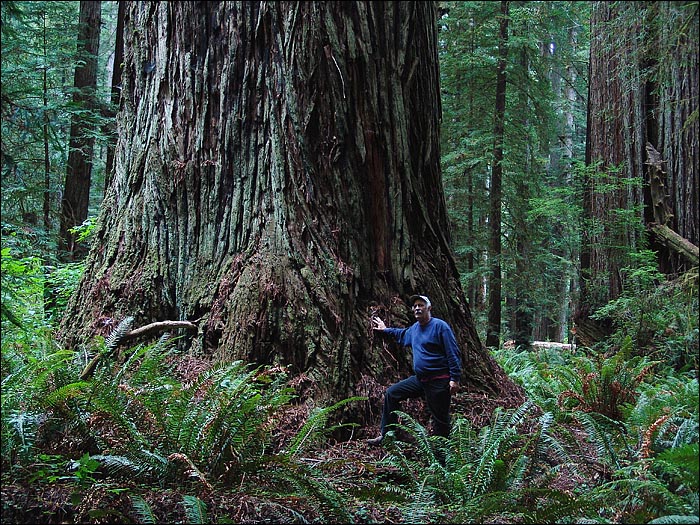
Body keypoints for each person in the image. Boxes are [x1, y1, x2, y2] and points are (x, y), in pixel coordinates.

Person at [367, 294, 461, 445]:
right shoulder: (414, 329)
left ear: (429, 308)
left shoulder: (440, 326)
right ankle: (387, 436)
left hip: (439, 381)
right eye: (415, 306)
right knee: (392, 394)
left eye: (421, 305)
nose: (417, 308)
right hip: (420, 380)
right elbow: (401, 334)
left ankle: (443, 460)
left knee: (440, 420)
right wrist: (385, 329)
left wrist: (454, 379)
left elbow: (453, 352)